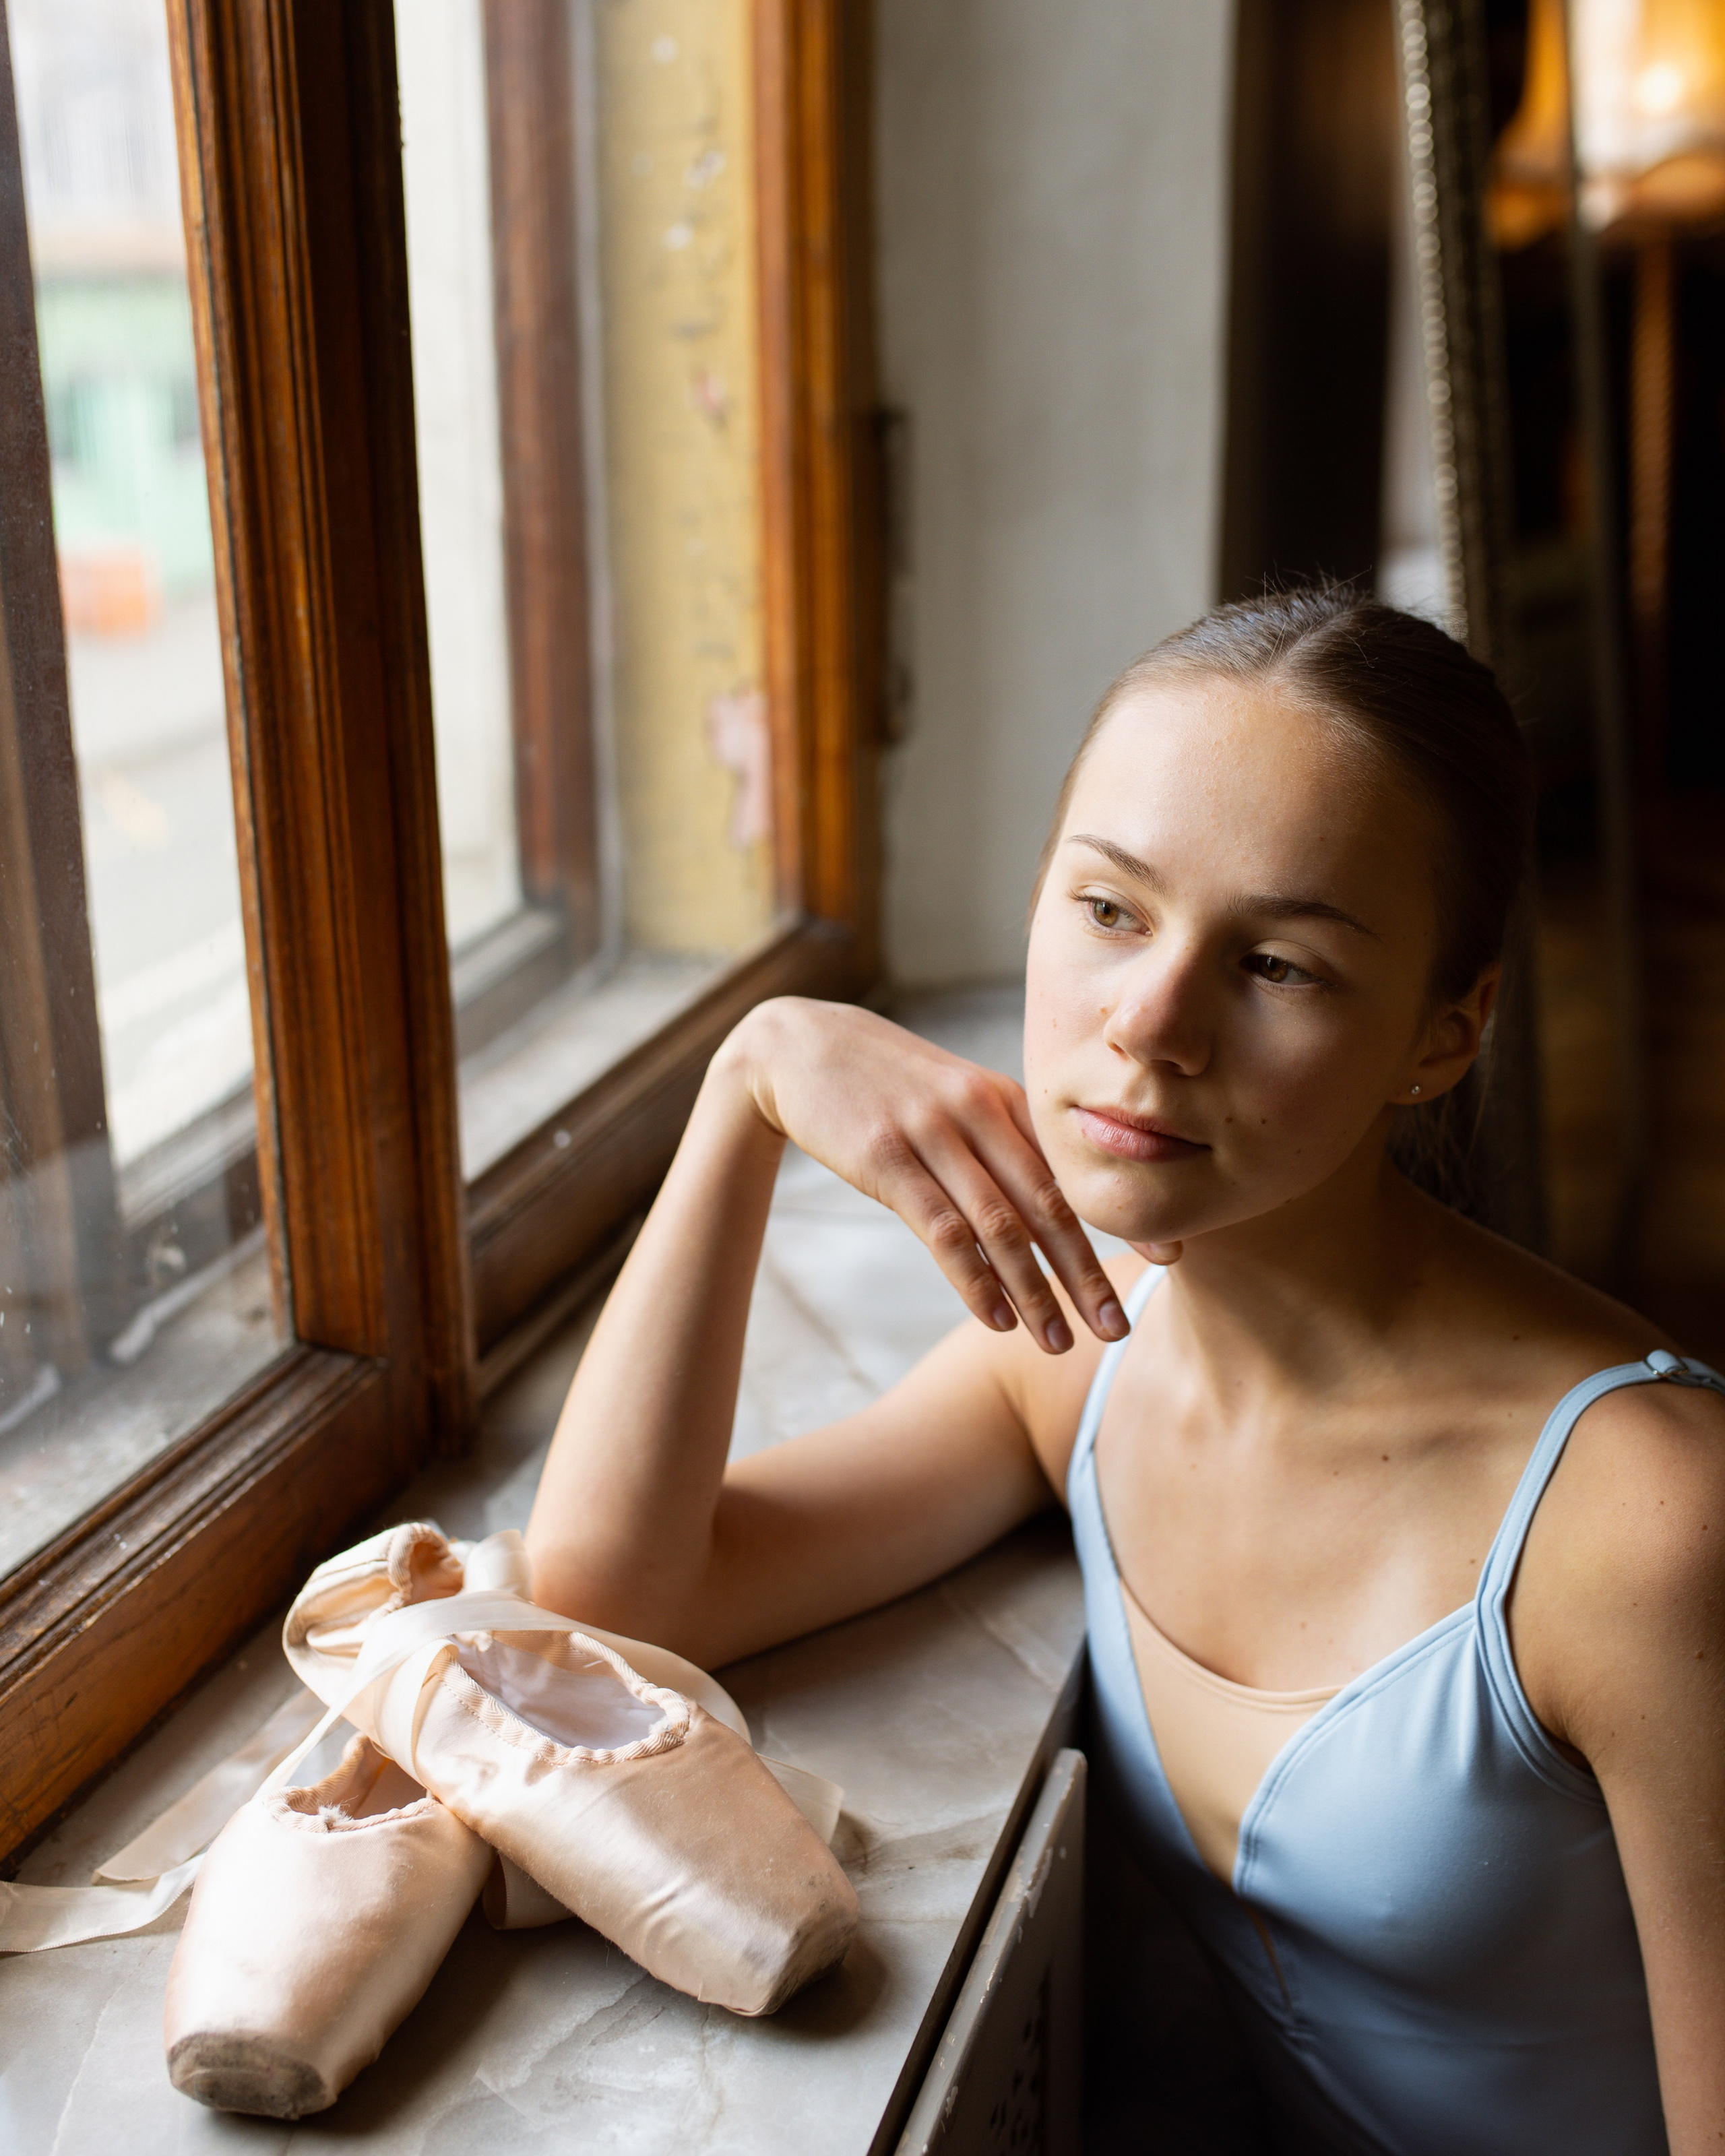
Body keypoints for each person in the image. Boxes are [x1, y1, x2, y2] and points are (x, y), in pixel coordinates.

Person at [526, 585, 1725, 2155]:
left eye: (1279, 965)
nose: (1150, 1025)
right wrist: (747, 1082)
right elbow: (618, 1593)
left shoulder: (1639, 1526)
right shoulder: (1081, 1358)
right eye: (1106, 911)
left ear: (1444, 1032)